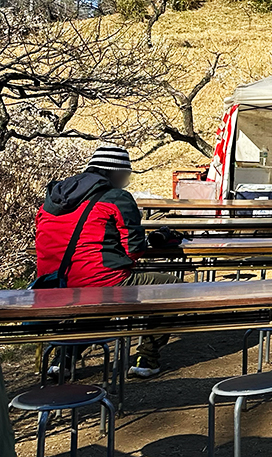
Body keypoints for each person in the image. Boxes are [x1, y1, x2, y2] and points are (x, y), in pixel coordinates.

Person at [35, 145, 178, 379]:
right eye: (127, 175)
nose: (127, 181)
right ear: (116, 173)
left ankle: (63, 359)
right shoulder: (116, 197)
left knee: (100, 293)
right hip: (96, 279)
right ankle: (147, 358)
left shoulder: (55, 197)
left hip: (53, 282)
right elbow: (134, 249)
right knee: (172, 286)